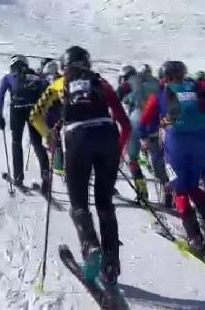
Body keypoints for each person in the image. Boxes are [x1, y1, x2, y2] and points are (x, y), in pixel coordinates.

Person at [30, 46, 131, 284]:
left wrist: (49, 135)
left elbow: (35, 115)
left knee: (78, 202)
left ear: (65, 65)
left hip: (77, 138)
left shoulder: (58, 84)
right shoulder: (101, 82)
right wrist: (120, 149)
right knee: (105, 203)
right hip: (108, 137)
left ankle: (91, 247)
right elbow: (124, 123)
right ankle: (111, 264)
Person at [139, 61, 205, 251]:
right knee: (193, 185)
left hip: (176, 143)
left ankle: (194, 236)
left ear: (165, 76)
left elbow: (145, 121)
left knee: (179, 189)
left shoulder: (162, 94)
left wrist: (146, 137)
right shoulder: (195, 88)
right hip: (201, 140)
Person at [119, 64, 169, 206]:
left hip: (136, 124)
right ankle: (168, 190)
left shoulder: (131, 87)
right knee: (157, 160)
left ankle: (143, 193)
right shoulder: (155, 86)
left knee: (132, 159)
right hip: (153, 125)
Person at [0, 55, 49, 189]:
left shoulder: (8, 77)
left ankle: (18, 177)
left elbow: (1, 95)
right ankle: (45, 175)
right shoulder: (36, 76)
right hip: (34, 111)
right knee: (37, 143)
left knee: (16, 142)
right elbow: (46, 91)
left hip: (17, 110)